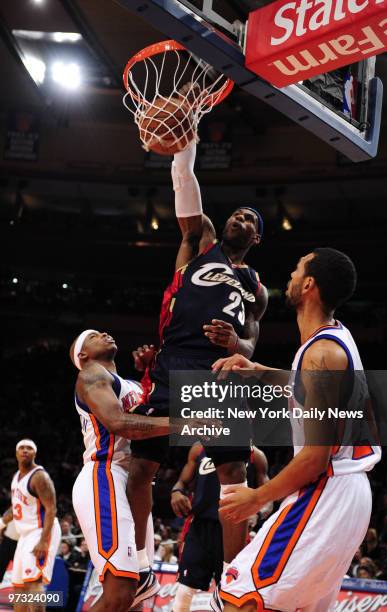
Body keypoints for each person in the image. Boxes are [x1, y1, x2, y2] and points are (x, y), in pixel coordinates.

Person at [128, 141, 268, 598]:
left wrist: (237, 342)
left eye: (251, 220)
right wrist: (187, 137)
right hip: (174, 362)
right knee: (142, 465)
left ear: (256, 238)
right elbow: (184, 181)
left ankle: (232, 580)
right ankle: (140, 562)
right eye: (238, 214)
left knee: (233, 476)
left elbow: (251, 341)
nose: (240, 219)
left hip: (221, 372)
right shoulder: (199, 241)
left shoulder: (256, 287)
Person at [212, 248, 382, 612]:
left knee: (240, 599)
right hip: (346, 492)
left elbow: (315, 457)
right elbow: (310, 388)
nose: (289, 275)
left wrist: (258, 498)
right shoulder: (333, 338)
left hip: (327, 489)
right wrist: (257, 369)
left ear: (308, 285)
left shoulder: (322, 353)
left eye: (296, 268)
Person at [70, 330, 178, 612]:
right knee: (119, 592)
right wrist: (185, 423)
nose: (103, 333)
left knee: (134, 596)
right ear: (83, 355)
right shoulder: (91, 374)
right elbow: (120, 423)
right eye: (93, 335)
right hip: (105, 475)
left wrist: (150, 371)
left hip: (134, 486)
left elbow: (153, 414)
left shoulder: (127, 384)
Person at [171, 444, 272, 612]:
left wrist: (258, 513)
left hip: (235, 527)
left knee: (230, 591)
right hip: (201, 527)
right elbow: (182, 482)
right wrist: (176, 492)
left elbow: (268, 497)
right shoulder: (198, 449)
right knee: (184, 591)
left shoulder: (257, 456)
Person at [1, 439, 61, 612]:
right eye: (21, 448)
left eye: (29, 448)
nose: (25, 450)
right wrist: (1, 524)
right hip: (25, 535)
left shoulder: (39, 476)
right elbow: (16, 507)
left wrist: (43, 540)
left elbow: (51, 508)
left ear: (35, 453)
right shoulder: (16, 478)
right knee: (19, 588)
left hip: (40, 531)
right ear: (16, 453)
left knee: (33, 584)